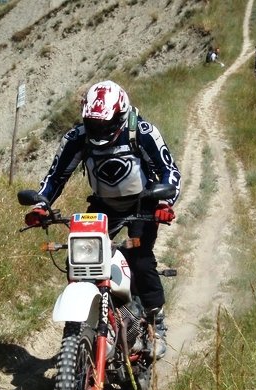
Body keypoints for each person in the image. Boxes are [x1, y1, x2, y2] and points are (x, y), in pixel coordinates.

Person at [24, 80, 182, 359]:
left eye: (104, 125)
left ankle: (156, 324)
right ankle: (93, 317)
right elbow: (55, 176)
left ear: (120, 116)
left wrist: (165, 202)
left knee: (141, 259)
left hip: (142, 205)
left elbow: (170, 172)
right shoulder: (77, 137)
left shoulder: (142, 132)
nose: (98, 131)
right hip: (102, 206)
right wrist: (41, 204)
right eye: (92, 124)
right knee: (81, 259)